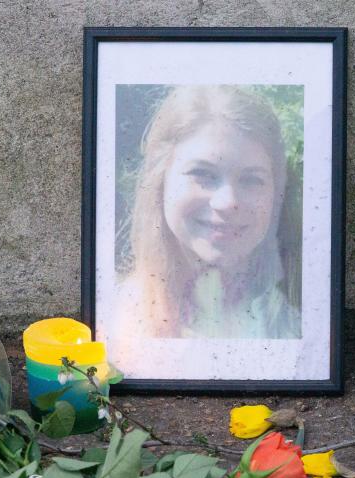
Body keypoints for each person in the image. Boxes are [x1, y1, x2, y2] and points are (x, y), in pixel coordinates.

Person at [114, 85, 302, 341]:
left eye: (251, 180)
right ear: (160, 178)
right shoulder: (112, 323)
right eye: (202, 174)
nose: (227, 202)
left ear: (276, 191)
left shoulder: (304, 318)